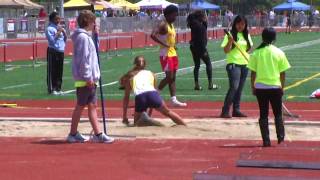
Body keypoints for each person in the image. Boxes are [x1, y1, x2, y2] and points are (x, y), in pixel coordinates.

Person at [67, 10, 114, 143]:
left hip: (90, 79)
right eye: (93, 21)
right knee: (81, 106)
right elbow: (84, 60)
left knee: (92, 105)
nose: (95, 24)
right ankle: (73, 133)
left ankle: (98, 134)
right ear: (88, 21)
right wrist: (88, 78)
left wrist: (95, 35)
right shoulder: (82, 37)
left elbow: (93, 51)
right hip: (85, 80)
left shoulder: (86, 37)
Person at [247, 27, 291, 147]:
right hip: (275, 87)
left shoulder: (256, 53)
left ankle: (266, 140)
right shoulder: (279, 52)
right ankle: (280, 138)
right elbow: (283, 73)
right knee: (278, 114)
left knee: (263, 114)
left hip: (260, 88)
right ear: (274, 38)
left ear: (262, 38)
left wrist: (253, 86)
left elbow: (253, 73)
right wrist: (282, 87)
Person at [122, 56, 186, 126]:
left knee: (136, 124)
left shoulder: (130, 76)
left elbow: (126, 98)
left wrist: (124, 116)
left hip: (140, 97)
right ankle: (184, 125)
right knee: (168, 112)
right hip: (153, 94)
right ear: (145, 65)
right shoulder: (151, 73)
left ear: (134, 64)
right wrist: (150, 114)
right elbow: (154, 91)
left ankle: (146, 120)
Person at [151, 5, 187, 107]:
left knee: (173, 77)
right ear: (168, 14)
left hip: (173, 53)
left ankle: (173, 99)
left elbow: (169, 38)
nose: (175, 17)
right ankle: (154, 94)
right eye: (174, 15)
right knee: (169, 76)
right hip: (165, 54)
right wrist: (164, 44)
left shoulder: (171, 25)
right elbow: (153, 35)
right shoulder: (163, 24)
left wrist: (173, 46)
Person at [220, 15, 253, 118]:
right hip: (234, 64)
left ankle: (236, 110)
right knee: (234, 87)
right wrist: (230, 40)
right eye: (238, 23)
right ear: (235, 24)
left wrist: (247, 53)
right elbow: (226, 50)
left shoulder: (246, 35)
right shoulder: (229, 35)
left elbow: (249, 48)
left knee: (240, 88)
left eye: (243, 24)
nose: (240, 26)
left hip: (245, 64)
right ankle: (225, 111)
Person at [187, 10, 218, 90]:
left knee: (197, 65)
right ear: (201, 17)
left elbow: (204, 26)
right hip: (200, 48)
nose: (205, 17)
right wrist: (203, 49)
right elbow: (201, 38)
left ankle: (196, 85)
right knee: (208, 64)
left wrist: (204, 21)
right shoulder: (199, 26)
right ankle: (210, 84)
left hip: (193, 48)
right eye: (204, 16)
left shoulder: (194, 24)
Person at [45, 12, 66, 95]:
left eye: (59, 18)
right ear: (52, 19)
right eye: (57, 19)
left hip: (60, 51)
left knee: (59, 71)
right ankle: (52, 89)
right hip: (53, 51)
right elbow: (52, 41)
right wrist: (59, 32)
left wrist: (63, 32)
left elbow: (64, 39)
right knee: (52, 71)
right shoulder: (49, 29)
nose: (58, 20)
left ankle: (58, 88)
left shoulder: (59, 27)